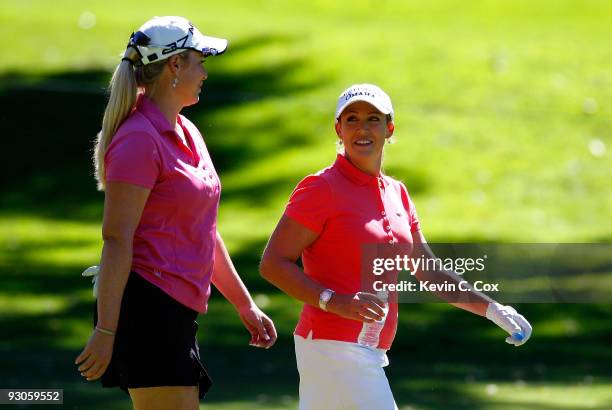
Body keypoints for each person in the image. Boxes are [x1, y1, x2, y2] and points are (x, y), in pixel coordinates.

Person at [259, 83, 532, 409]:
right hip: (333, 345)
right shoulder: (321, 188)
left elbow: (429, 272)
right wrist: (335, 301)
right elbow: (273, 263)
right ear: (338, 128)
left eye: (373, 119)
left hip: (366, 350)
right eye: (351, 119)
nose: (362, 128)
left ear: (390, 128)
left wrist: (493, 309)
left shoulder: (397, 193)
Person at [74, 16, 277, 409]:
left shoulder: (188, 132)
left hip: (176, 311)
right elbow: (117, 239)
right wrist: (105, 329)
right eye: (199, 61)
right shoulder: (138, 140)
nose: (204, 72)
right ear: (174, 66)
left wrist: (244, 303)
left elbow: (204, 230)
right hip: (148, 309)